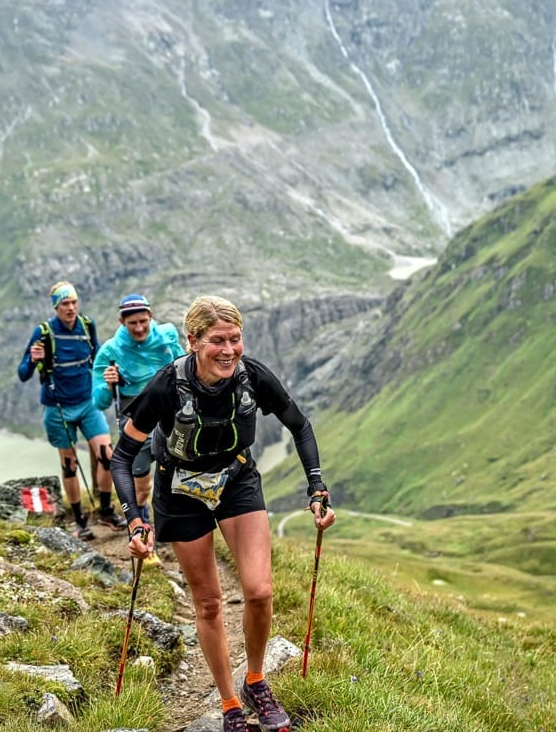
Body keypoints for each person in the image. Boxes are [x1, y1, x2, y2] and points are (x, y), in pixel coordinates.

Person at [107, 295, 335, 732]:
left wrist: (316, 486)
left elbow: (300, 425)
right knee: (209, 603)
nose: (229, 350)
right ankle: (230, 706)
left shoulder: (253, 376)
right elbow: (122, 457)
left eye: (235, 339)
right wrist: (134, 519)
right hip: (179, 492)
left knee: (260, 590)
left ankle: (255, 681)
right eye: (217, 341)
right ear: (192, 341)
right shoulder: (166, 386)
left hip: (236, 480)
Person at [17, 281, 127, 540]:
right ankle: (79, 521)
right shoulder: (43, 333)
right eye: (65, 304)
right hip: (57, 409)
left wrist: (111, 374)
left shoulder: (87, 327)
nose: (70, 308)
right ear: (56, 306)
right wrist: (33, 360)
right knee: (69, 466)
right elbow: (23, 374)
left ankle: (105, 510)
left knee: (108, 457)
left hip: (88, 404)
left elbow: (98, 358)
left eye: (74, 302)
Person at [92, 293, 184, 531]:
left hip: (170, 417)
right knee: (142, 486)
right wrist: (108, 384)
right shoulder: (110, 351)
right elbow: (100, 402)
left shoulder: (167, 335)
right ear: (122, 322)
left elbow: (185, 370)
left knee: (176, 479)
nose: (139, 327)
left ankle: (174, 528)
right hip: (136, 422)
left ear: (151, 316)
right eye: (132, 323)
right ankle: (141, 526)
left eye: (143, 320)